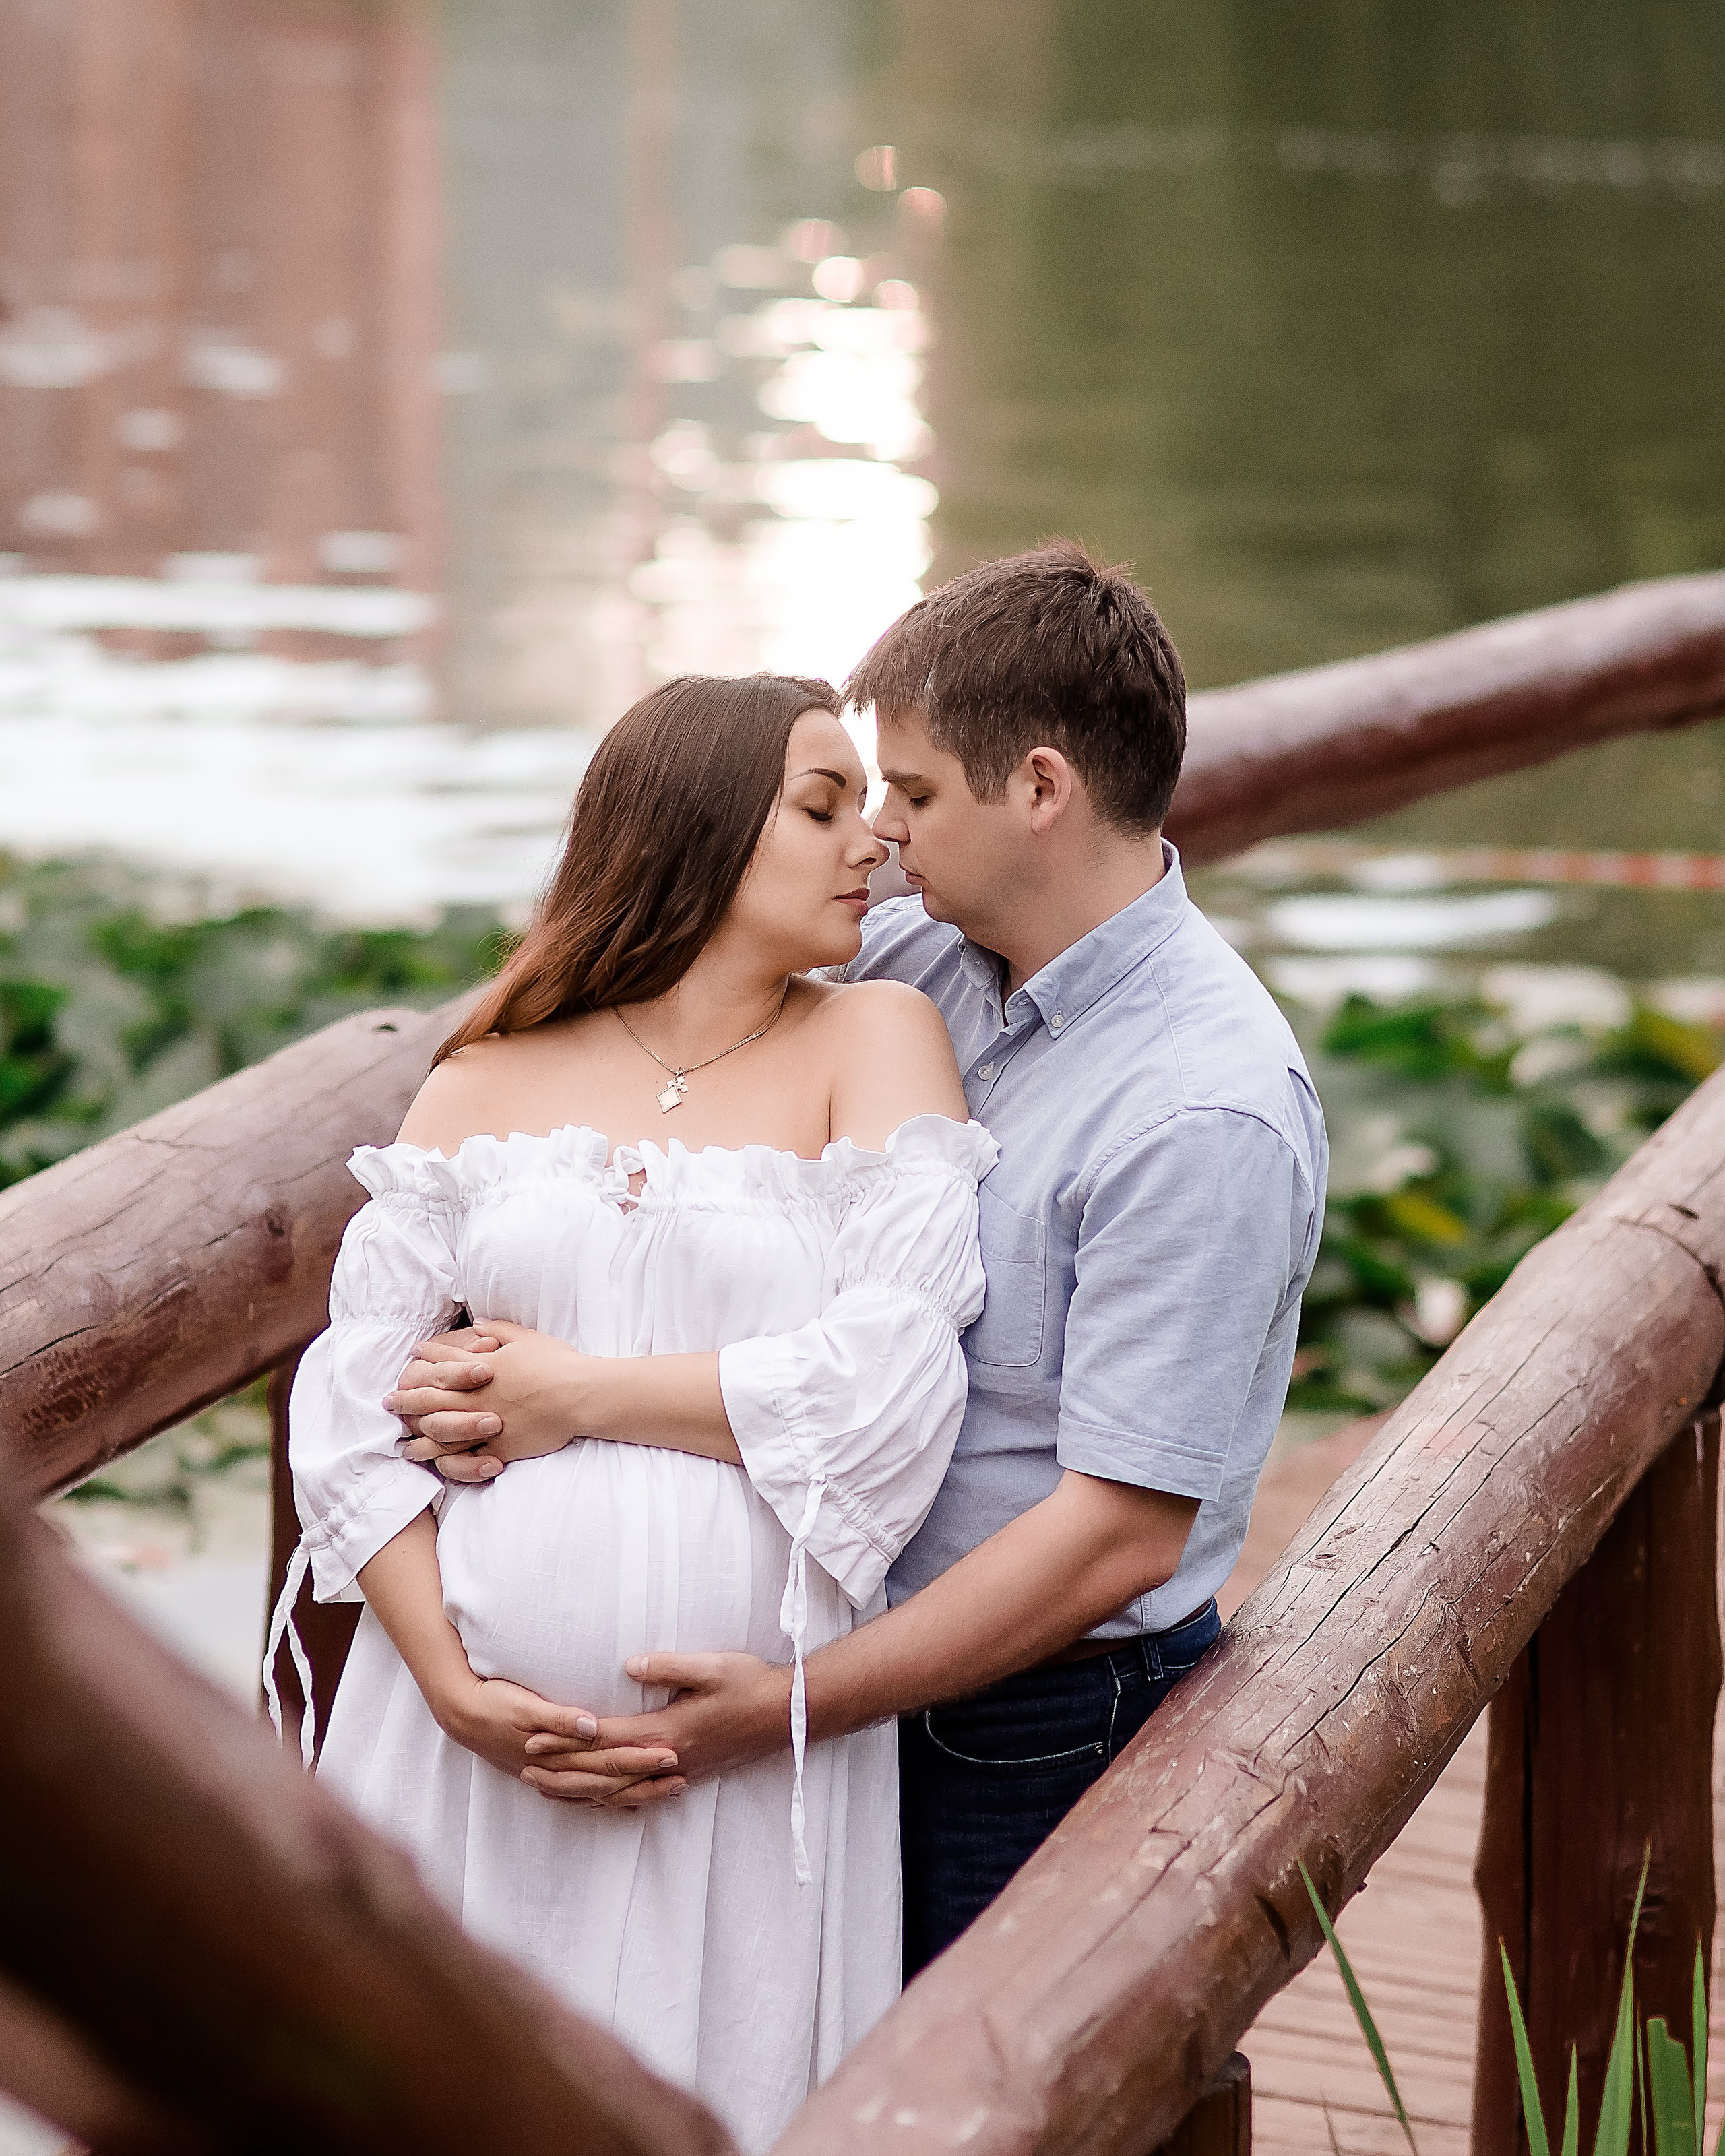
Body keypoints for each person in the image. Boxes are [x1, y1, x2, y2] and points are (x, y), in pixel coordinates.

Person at [392, 541, 1329, 1981]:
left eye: (910, 791)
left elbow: (1118, 1536)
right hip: (820, 1691)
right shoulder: (916, 963)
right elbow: (674, 977)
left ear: (1036, 789)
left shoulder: (1202, 1110)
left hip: (1026, 1726)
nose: (881, 834)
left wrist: (787, 1702)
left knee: (974, 2104)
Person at [276, 672, 997, 2153]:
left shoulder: (872, 1039)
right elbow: (352, 1411)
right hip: (464, 1755)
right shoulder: (486, 1074)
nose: (870, 840)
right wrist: (456, 1691)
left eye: (872, 804)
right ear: (694, 827)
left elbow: (891, 1385)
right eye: (820, 805)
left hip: (735, 1772)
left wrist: (571, 1395)